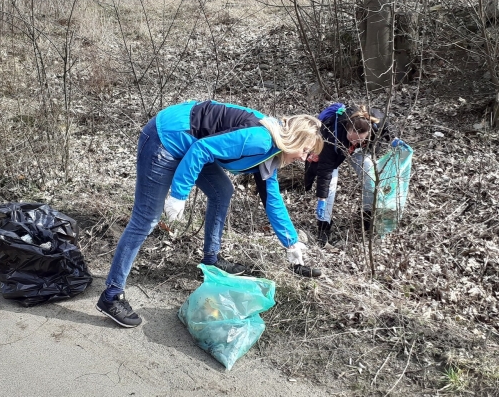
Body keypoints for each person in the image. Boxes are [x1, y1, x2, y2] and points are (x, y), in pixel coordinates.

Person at [96, 100, 324, 328]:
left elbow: (272, 199)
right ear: (294, 138)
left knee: (222, 191)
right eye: (305, 150)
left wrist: (291, 243)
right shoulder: (261, 140)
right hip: (166, 137)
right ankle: (112, 295)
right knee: (146, 218)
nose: (304, 158)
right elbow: (201, 150)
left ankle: (211, 259)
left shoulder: (272, 153)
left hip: (193, 143)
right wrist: (179, 194)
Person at [303, 103, 398, 245]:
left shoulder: (374, 121)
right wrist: (322, 198)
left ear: (369, 132)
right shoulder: (332, 135)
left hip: (360, 151)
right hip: (335, 150)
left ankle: (367, 216)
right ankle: (324, 226)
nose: (354, 141)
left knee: (370, 176)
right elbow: (325, 171)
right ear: (347, 128)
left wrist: (394, 139)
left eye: (359, 139)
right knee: (330, 188)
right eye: (351, 138)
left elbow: (386, 127)